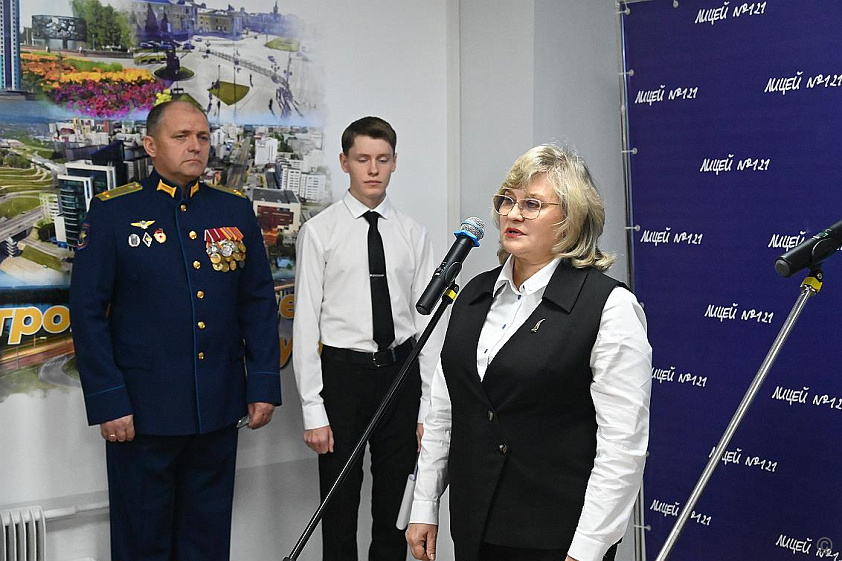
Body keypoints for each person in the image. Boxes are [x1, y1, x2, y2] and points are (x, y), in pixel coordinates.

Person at [406, 144, 652, 561]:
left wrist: (589, 548)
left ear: (571, 220)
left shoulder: (609, 306)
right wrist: (424, 505)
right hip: (474, 526)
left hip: (557, 537)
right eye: (507, 200)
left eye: (532, 204)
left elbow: (622, 446)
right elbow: (445, 412)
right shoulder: (473, 294)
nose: (513, 214)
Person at [69, 100, 281, 561]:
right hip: (143, 413)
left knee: (207, 543)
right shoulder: (113, 212)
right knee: (142, 543)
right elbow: (87, 312)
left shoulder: (234, 210)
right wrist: (108, 399)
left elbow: (258, 303)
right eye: (181, 136)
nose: (195, 146)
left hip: (217, 407)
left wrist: (263, 383)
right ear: (150, 145)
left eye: (202, 137)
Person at [293, 116, 443, 561]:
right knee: (338, 506)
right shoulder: (320, 232)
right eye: (363, 159)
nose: (373, 169)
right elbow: (305, 324)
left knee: (395, 504)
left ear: (395, 162)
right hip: (343, 377)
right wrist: (313, 409)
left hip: (400, 375)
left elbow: (428, 326)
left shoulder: (412, 233)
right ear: (345, 162)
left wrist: (429, 406)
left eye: (382, 159)